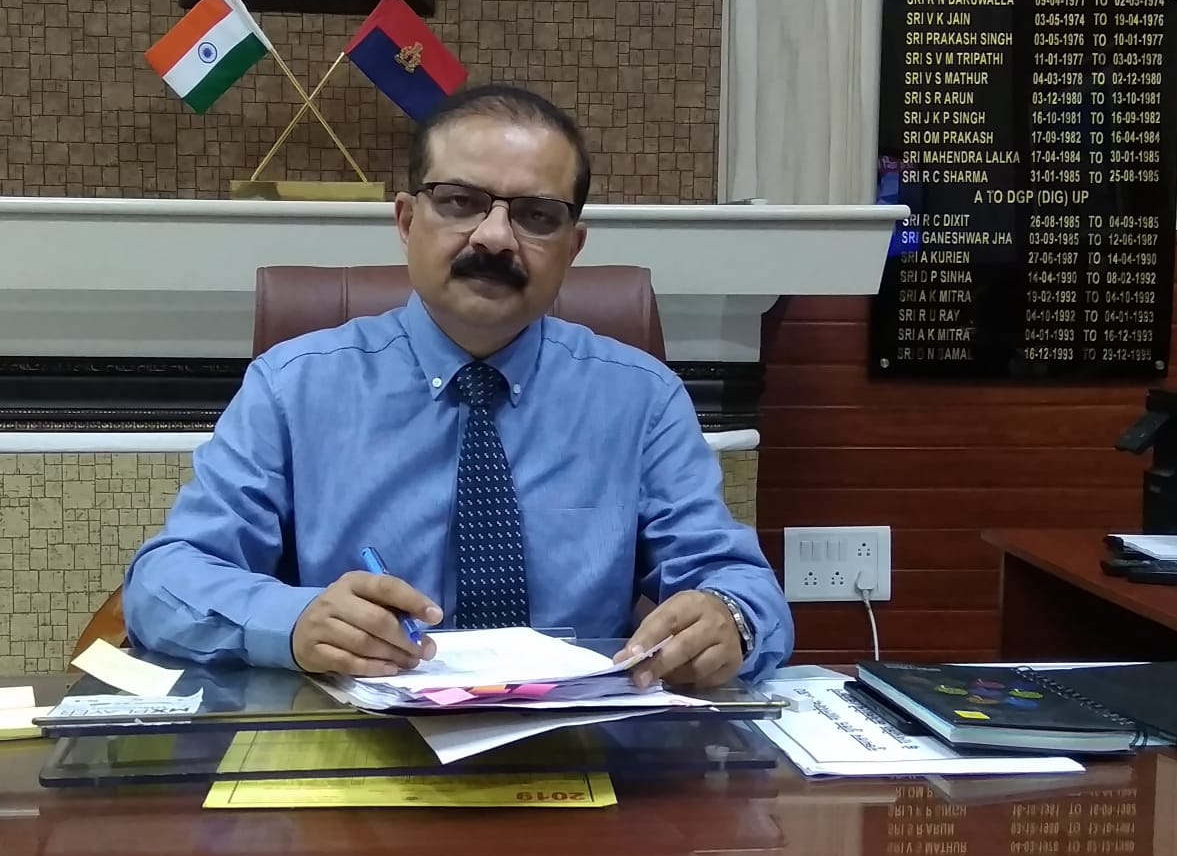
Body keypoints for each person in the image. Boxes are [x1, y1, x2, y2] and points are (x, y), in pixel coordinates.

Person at [123, 84, 793, 686]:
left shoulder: (642, 400)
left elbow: (741, 587)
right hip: (355, 746)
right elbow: (161, 585)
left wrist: (729, 619)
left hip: (579, 743)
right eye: (460, 202)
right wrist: (292, 621)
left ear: (573, 246)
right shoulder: (292, 389)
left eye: (536, 215)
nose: (495, 237)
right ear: (406, 221)